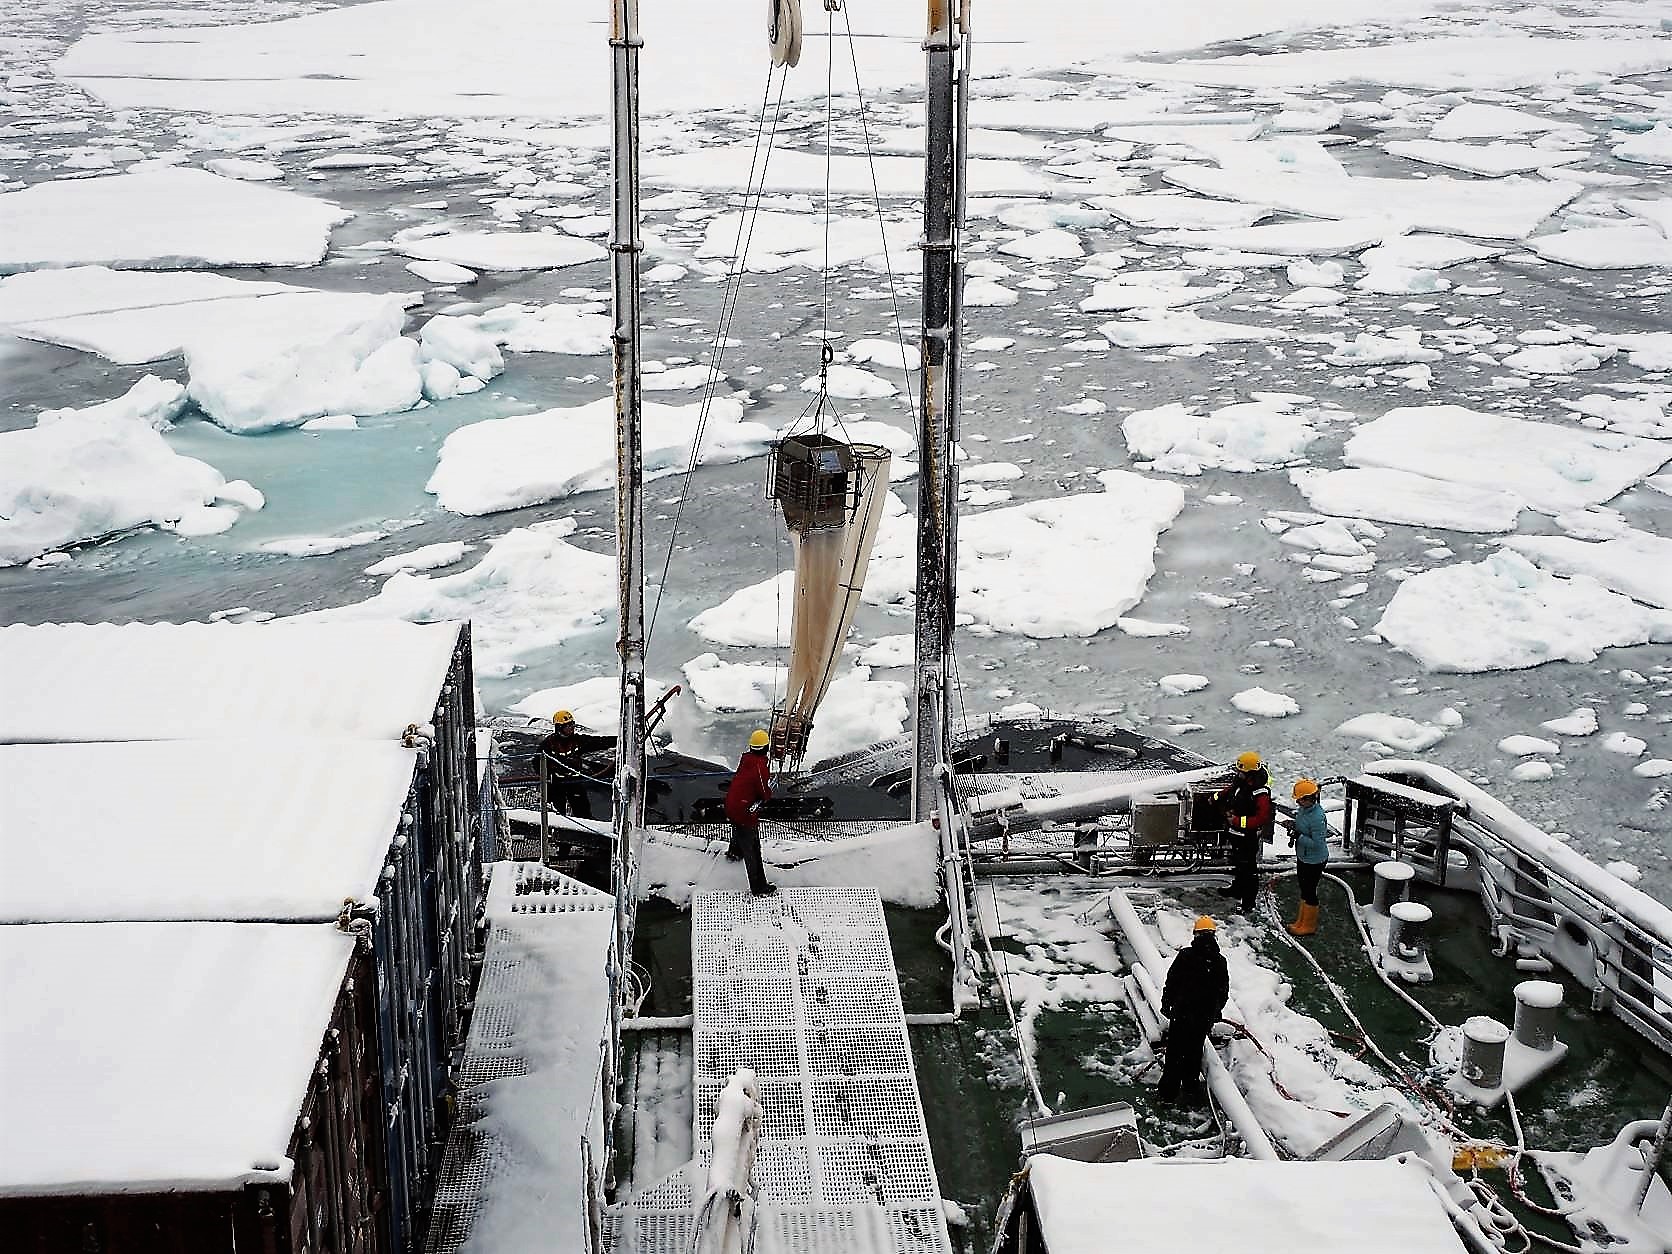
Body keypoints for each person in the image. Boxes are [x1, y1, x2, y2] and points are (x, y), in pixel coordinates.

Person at [1158, 916, 1230, 1105]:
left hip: (1182, 1014)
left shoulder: (1186, 956)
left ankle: (1167, 1094)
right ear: (1213, 935)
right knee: (1194, 1053)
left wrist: (1166, 1004)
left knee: (1174, 1054)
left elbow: (1172, 982)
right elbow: (1223, 992)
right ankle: (1190, 1089)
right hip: (1203, 1018)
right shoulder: (1219, 961)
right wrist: (1215, 1013)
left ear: (1195, 935)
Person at [1217, 750, 1274, 915]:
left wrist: (1236, 821)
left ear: (1249, 773)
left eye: (1240, 770)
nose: (1238, 773)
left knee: (1248, 870)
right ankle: (1237, 889)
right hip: (1235, 835)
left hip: (1247, 838)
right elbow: (1230, 791)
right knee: (1239, 865)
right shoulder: (1242, 783)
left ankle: (1248, 903)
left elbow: (1261, 818)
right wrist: (1215, 798)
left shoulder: (1260, 793)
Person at [725, 729, 776, 897]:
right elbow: (763, 790)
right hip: (744, 809)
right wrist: (768, 793)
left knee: (738, 827)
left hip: (732, 804)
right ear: (766, 747)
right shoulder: (760, 766)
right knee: (753, 848)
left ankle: (734, 853)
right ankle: (759, 887)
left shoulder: (746, 759)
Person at [538, 710, 607, 820]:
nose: (571, 727)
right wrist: (548, 775)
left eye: (572, 724)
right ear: (559, 727)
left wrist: (618, 740)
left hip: (575, 783)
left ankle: (585, 829)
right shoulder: (548, 744)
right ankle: (555, 830)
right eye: (568, 725)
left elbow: (597, 742)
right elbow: (537, 762)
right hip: (556, 785)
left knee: (583, 814)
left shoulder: (577, 741)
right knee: (556, 816)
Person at [1286, 778, 1328, 936]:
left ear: (1309, 799)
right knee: (1304, 889)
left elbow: (1317, 843)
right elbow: (1303, 826)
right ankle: (1301, 921)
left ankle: (1308, 926)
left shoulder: (1317, 817)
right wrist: (1293, 824)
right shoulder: (1305, 810)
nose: (1297, 802)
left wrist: (1298, 836)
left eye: (1300, 800)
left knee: (1310, 891)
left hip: (1314, 861)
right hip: (1304, 857)